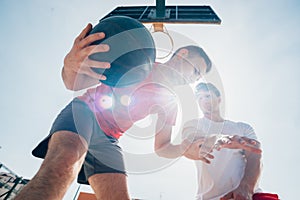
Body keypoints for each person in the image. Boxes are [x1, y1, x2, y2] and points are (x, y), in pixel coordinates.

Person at [14, 22, 216, 200]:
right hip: (85, 112)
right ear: (182, 55)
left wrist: (184, 148)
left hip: (109, 138)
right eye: (195, 72)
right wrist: (70, 65)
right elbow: (73, 83)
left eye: (197, 79)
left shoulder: (169, 102)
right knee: (66, 159)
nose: (192, 80)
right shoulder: (137, 59)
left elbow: (162, 146)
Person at [182, 82, 262, 200]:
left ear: (219, 99)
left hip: (247, 195)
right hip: (209, 197)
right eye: (200, 98)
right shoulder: (194, 125)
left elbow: (255, 153)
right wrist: (216, 139)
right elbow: (191, 143)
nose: (204, 100)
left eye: (208, 96)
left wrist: (246, 187)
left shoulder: (242, 127)